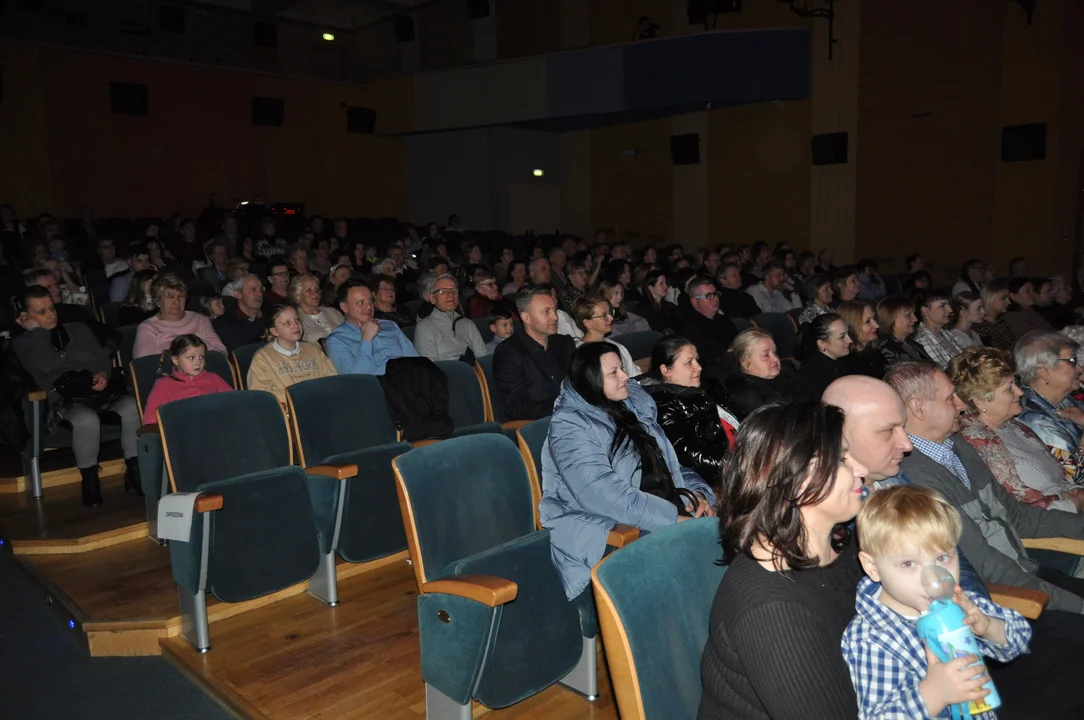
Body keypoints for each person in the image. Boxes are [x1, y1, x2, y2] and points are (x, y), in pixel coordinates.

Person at [698, 400, 865, 720]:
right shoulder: (773, 609)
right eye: (843, 458)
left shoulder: (846, 548)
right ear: (798, 478)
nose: (861, 469)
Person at [887, 362, 1084, 613]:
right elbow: (983, 566)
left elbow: (1018, 515)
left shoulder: (958, 446)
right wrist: (1074, 606)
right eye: (950, 398)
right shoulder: (915, 479)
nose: (961, 404)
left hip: (1026, 571)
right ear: (918, 408)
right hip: (1001, 604)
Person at [540, 343, 715, 600]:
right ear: (592, 380)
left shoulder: (631, 407)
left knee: (733, 538)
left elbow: (669, 465)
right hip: (612, 531)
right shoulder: (570, 426)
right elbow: (604, 496)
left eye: (622, 368)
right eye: (614, 372)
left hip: (659, 513)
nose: (625, 376)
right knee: (709, 557)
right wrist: (674, 521)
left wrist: (698, 494)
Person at [843, 485, 1031, 719]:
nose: (932, 577)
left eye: (942, 558)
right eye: (908, 564)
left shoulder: (958, 604)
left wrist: (988, 626)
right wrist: (933, 694)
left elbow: (1020, 639)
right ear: (873, 567)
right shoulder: (872, 639)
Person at [13, 286, 142, 507]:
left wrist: (102, 373)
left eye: (51, 308)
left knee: (131, 407)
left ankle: (134, 471)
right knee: (86, 419)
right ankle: (90, 481)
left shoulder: (78, 329)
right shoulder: (24, 343)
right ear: (25, 316)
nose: (51, 315)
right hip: (63, 401)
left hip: (97, 393)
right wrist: (39, 333)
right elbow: (45, 366)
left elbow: (101, 358)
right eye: (41, 312)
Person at [949, 347, 1084, 512]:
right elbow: (1016, 510)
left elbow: (1069, 474)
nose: (1020, 392)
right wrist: (1072, 503)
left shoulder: (1016, 427)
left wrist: (1075, 493)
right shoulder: (976, 443)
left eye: (1016, 384)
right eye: (1009, 388)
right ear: (981, 401)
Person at [640, 336, 737, 485]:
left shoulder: (700, 390)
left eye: (696, 360)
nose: (698, 367)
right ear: (666, 370)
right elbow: (693, 458)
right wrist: (742, 465)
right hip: (724, 475)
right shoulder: (663, 406)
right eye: (689, 363)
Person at [493, 285, 577, 421]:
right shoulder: (509, 352)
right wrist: (562, 409)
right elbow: (515, 405)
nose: (555, 317)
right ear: (526, 317)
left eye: (554, 310)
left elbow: (580, 382)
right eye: (546, 311)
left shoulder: (563, 343)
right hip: (538, 424)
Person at [1014, 330, 1084, 482]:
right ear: (1044, 371)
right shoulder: (1034, 420)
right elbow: (1076, 478)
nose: (1079, 369)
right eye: (1072, 361)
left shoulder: (1065, 401)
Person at [247, 304, 338, 404]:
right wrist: (300, 396)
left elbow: (332, 380)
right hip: (288, 413)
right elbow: (261, 395)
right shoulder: (263, 359)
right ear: (274, 331)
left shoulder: (313, 350)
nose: (296, 325)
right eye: (287, 323)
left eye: (297, 320)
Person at [325, 279, 418, 376]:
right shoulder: (337, 340)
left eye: (370, 300)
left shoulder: (390, 325)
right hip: (382, 386)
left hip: (412, 378)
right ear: (345, 307)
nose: (369, 307)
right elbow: (355, 379)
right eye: (361, 302)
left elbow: (415, 358)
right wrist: (366, 340)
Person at [142, 334, 234, 424]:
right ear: (175, 360)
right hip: (183, 432)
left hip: (217, 427)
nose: (198, 362)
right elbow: (150, 419)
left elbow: (234, 402)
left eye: (201, 357)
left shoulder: (213, 378)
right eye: (191, 357)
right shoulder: (163, 384)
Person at [132, 273, 226, 359]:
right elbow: (144, 367)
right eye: (170, 297)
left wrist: (194, 343)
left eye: (180, 296)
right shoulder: (148, 328)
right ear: (158, 301)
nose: (176, 302)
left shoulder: (200, 320)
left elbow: (221, 355)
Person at [719, 328, 797, 419]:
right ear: (745, 362)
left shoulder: (785, 376)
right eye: (766, 355)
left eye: (775, 352)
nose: (775, 359)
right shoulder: (748, 396)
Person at [413, 273, 489, 362]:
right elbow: (430, 368)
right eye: (443, 291)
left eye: (454, 291)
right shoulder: (425, 327)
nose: (451, 295)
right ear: (432, 298)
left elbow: (484, 358)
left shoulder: (467, 324)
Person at [679, 276, 738, 381]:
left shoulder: (725, 321)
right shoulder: (689, 328)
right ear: (694, 301)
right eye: (709, 296)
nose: (715, 299)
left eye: (716, 294)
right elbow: (708, 361)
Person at [573, 295, 640, 378]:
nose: (611, 318)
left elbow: (637, 377)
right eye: (604, 315)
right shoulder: (579, 354)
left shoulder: (617, 347)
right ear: (588, 323)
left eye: (610, 313)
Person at [795, 313, 853, 400]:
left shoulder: (844, 359)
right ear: (822, 344)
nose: (850, 340)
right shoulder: (814, 375)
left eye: (848, 334)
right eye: (842, 337)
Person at [911, 288, 965, 369]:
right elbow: (944, 373)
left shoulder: (946, 333)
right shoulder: (923, 342)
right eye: (942, 306)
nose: (950, 310)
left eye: (949, 305)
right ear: (925, 311)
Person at [213, 274, 265, 353]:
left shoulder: (269, 317)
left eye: (261, 290)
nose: (260, 294)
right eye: (253, 290)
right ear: (238, 294)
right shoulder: (224, 323)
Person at [875, 295, 932, 367]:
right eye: (908, 315)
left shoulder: (914, 345)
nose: (915, 319)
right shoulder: (885, 349)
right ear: (890, 318)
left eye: (913, 314)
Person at [288, 274, 344, 345]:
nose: (315, 293)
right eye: (309, 290)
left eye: (317, 289)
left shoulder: (333, 312)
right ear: (297, 295)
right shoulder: (296, 319)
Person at [973, 280, 1014, 351]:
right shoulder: (980, 328)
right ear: (990, 298)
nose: (1009, 302)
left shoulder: (1002, 323)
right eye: (1003, 298)